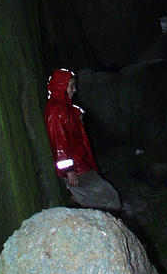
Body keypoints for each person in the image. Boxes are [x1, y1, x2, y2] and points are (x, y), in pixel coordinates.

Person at [43, 68, 121, 211]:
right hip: (76, 169)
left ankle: (78, 199)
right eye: (71, 86)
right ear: (61, 86)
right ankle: (75, 198)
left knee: (109, 195)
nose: (75, 90)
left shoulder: (65, 108)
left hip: (81, 164)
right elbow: (59, 142)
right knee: (111, 198)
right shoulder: (56, 110)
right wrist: (69, 170)